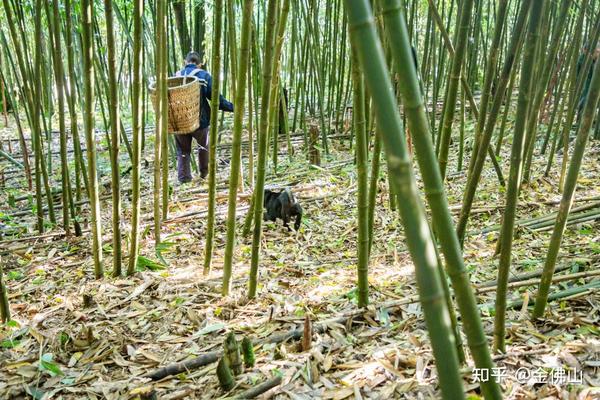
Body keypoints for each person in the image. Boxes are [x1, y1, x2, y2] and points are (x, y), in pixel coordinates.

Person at [174, 51, 233, 183]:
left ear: (185, 62)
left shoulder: (175, 77)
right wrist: (233, 107)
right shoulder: (204, 76)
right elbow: (217, 100)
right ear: (200, 64)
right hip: (200, 121)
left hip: (179, 121)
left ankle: (184, 179)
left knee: (183, 150)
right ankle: (204, 174)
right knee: (204, 147)